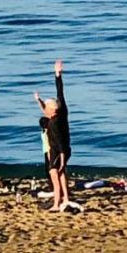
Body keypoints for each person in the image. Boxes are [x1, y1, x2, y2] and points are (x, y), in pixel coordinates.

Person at [34, 60, 71, 211]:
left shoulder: (52, 124)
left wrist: (61, 159)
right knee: (61, 175)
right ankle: (66, 199)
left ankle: (56, 204)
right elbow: (60, 92)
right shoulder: (61, 111)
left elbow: (60, 143)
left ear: (51, 111)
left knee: (55, 177)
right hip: (63, 149)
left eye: (46, 109)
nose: (44, 111)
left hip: (58, 151)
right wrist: (58, 75)